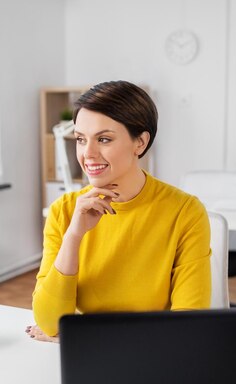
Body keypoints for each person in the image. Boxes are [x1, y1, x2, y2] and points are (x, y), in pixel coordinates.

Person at [26, 80, 211, 342]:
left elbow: (186, 327)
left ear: (140, 143)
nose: (87, 154)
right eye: (80, 139)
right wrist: (74, 236)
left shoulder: (185, 212)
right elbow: (49, 322)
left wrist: (81, 335)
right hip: (82, 361)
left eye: (103, 139)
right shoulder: (63, 211)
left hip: (153, 359)